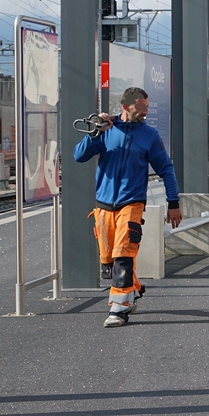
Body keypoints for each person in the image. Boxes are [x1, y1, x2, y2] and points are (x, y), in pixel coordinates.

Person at [74, 87, 182, 328]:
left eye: (146, 108)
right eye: (141, 109)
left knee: (124, 253)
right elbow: (78, 156)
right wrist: (93, 132)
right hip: (103, 205)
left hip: (132, 202)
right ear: (125, 107)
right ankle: (134, 288)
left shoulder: (150, 136)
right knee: (109, 260)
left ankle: (119, 309)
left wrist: (173, 203)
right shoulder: (104, 131)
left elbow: (166, 169)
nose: (145, 113)